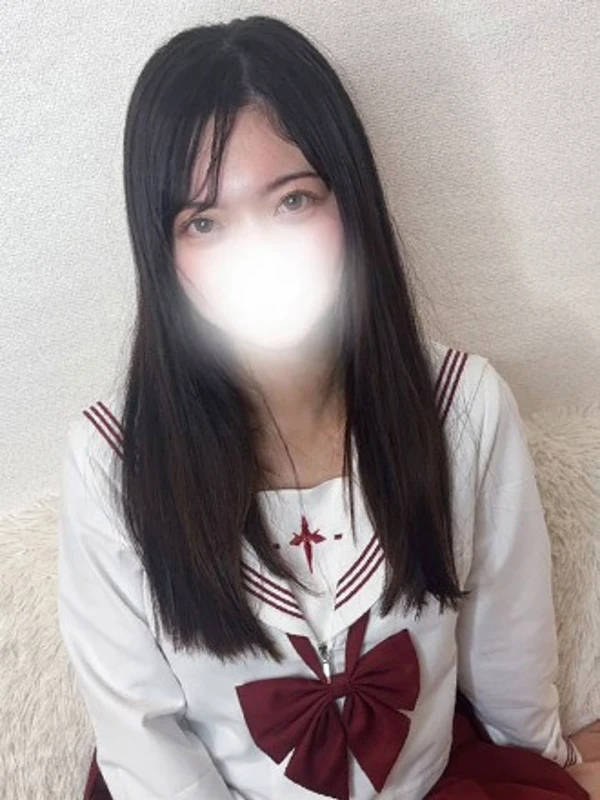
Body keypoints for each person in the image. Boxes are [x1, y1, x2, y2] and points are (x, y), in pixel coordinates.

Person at [57, 14, 600, 800]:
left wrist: (549, 763)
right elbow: (145, 743)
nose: (257, 252)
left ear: (350, 201)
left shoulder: (463, 409)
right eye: (204, 222)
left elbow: (508, 655)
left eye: (293, 200)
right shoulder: (112, 462)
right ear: (163, 251)